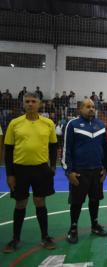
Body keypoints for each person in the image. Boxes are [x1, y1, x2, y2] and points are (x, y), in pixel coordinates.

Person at [3, 92, 57, 253]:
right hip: (20, 170)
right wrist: (10, 174)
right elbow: (8, 151)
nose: (30, 104)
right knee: (20, 203)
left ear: (39, 104)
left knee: (40, 202)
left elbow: (54, 146)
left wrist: (53, 167)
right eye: (27, 101)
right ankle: (15, 239)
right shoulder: (14, 123)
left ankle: (45, 237)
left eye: (33, 101)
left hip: (41, 169)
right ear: (23, 104)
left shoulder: (48, 123)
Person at [62, 99, 107, 244]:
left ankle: (94, 225)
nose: (91, 109)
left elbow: (104, 149)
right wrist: (68, 171)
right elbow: (66, 150)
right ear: (80, 109)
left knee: (94, 199)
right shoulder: (73, 124)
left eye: (93, 107)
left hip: (97, 171)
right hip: (79, 172)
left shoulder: (101, 125)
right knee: (77, 202)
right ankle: (73, 228)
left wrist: (105, 168)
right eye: (88, 107)